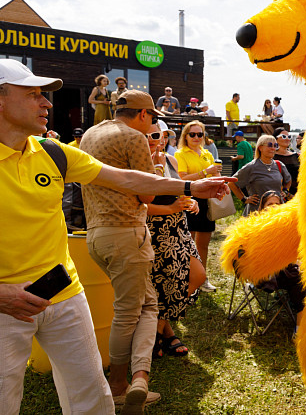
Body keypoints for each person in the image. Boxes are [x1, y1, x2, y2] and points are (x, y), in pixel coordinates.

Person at [0, 59, 232, 415]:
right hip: (7, 303)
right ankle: (130, 379)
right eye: (33, 94)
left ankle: (123, 383)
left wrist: (190, 184)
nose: (47, 103)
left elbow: (125, 179)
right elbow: (141, 191)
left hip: (65, 291)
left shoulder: (53, 152)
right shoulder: (122, 138)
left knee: (92, 397)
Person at [81, 90, 233, 414]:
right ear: (143, 115)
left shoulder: (92, 134)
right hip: (127, 234)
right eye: (152, 119)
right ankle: (120, 386)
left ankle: (139, 377)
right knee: (130, 313)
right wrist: (192, 188)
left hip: (95, 235)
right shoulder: (133, 137)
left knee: (148, 304)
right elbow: (144, 190)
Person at [145, 122, 205, 359]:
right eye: (152, 135)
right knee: (164, 286)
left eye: (162, 135)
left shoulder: (172, 161)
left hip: (178, 228)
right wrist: (170, 207)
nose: (158, 140)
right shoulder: (138, 163)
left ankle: (158, 330)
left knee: (197, 275)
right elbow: (136, 206)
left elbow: (180, 191)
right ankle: (165, 332)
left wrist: (190, 201)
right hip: (155, 231)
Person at [175, 120, 221, 293]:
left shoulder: (207, 154)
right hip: (190, 199)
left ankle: (202, 278)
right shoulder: (180, 154)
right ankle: (186, 279)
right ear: (185, 136)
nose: (196, 137)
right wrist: (205, 172)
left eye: (199, 134)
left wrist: (218, 176)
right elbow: (182, 179)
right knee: (187, 242)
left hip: (207, 201)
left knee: (203, 243)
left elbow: (213, 175)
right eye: (192, 134)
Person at [256, 190, 306, 335]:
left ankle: (300, 328)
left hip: (289, 270)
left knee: (302, 280)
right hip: (266, 272)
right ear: (262, 207)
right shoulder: (255, 226)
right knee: (296, 277)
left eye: (277, 204)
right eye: (269, 204)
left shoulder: (288, 226)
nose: (273, 207)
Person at [231, 134, 291, 217]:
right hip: (256, 213)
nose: (273, 148)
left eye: (275, 145)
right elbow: (231, 183)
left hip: (276, 213)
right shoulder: (251, 167)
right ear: (260, 148)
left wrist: (285, 191)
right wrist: (244, 199)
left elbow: (288, 180)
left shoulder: (279, 165)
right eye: (270, 145)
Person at [273, 127, 300, 198]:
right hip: (277, 196)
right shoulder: (271, 156)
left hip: (296, 195)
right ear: (276, 139)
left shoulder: (296, 155)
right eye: (284, 136)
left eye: (289, 136)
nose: (287, 139)